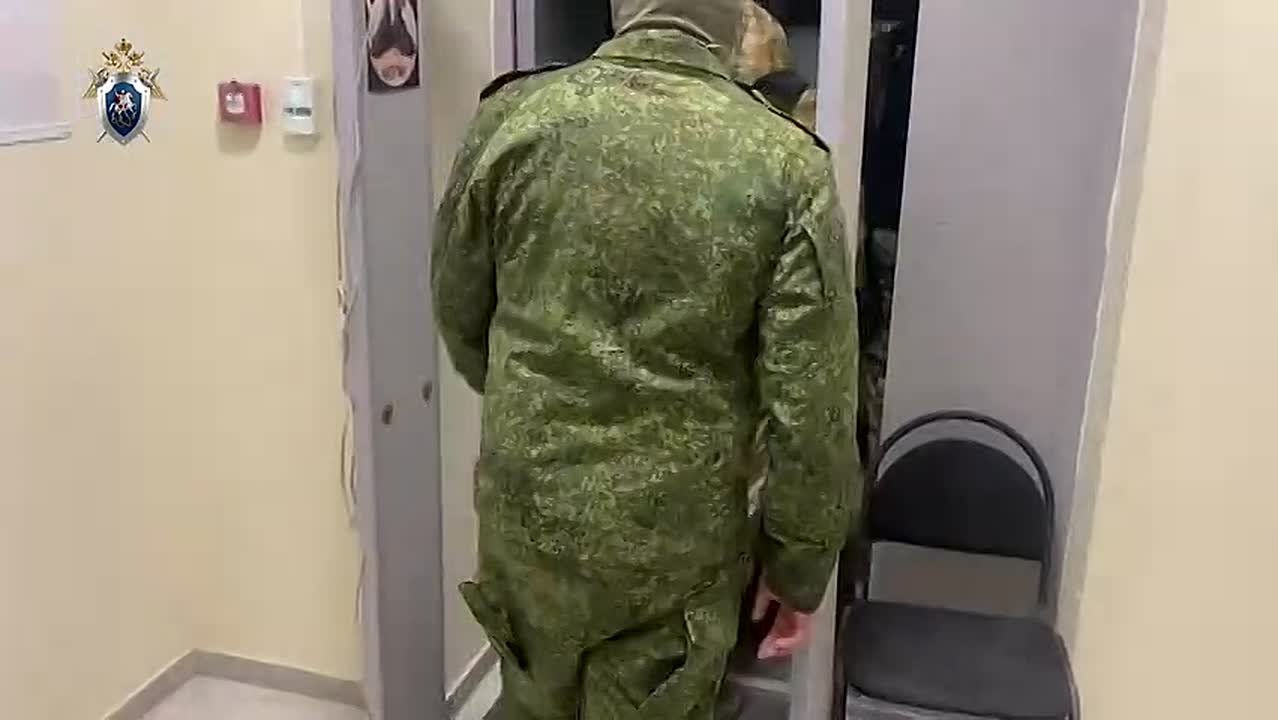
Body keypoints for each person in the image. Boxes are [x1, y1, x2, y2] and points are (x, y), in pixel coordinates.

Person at [432, 1, 860, 717]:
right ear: (733, 18)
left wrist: (538, 407)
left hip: (529, 514)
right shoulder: (786, 163)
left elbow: (461, 313)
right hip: (673, 547)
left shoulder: (513, 118)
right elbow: (813, 406)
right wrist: (798, 566)